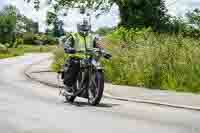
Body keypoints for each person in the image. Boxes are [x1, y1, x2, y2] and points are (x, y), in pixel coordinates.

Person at [60, 19, 101, 93]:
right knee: (75, 65)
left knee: (95, 66)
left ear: (88, 27)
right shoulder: (74, 35)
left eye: (85, 26)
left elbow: (98, 46)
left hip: (88, 58)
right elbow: (67, 44)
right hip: (76, 57)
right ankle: (68, 86)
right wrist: (69, 48)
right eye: (82, 26)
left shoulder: (91, 36)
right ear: (78, 27)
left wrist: (103, 51)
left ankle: (95, 87)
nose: (84, 28)